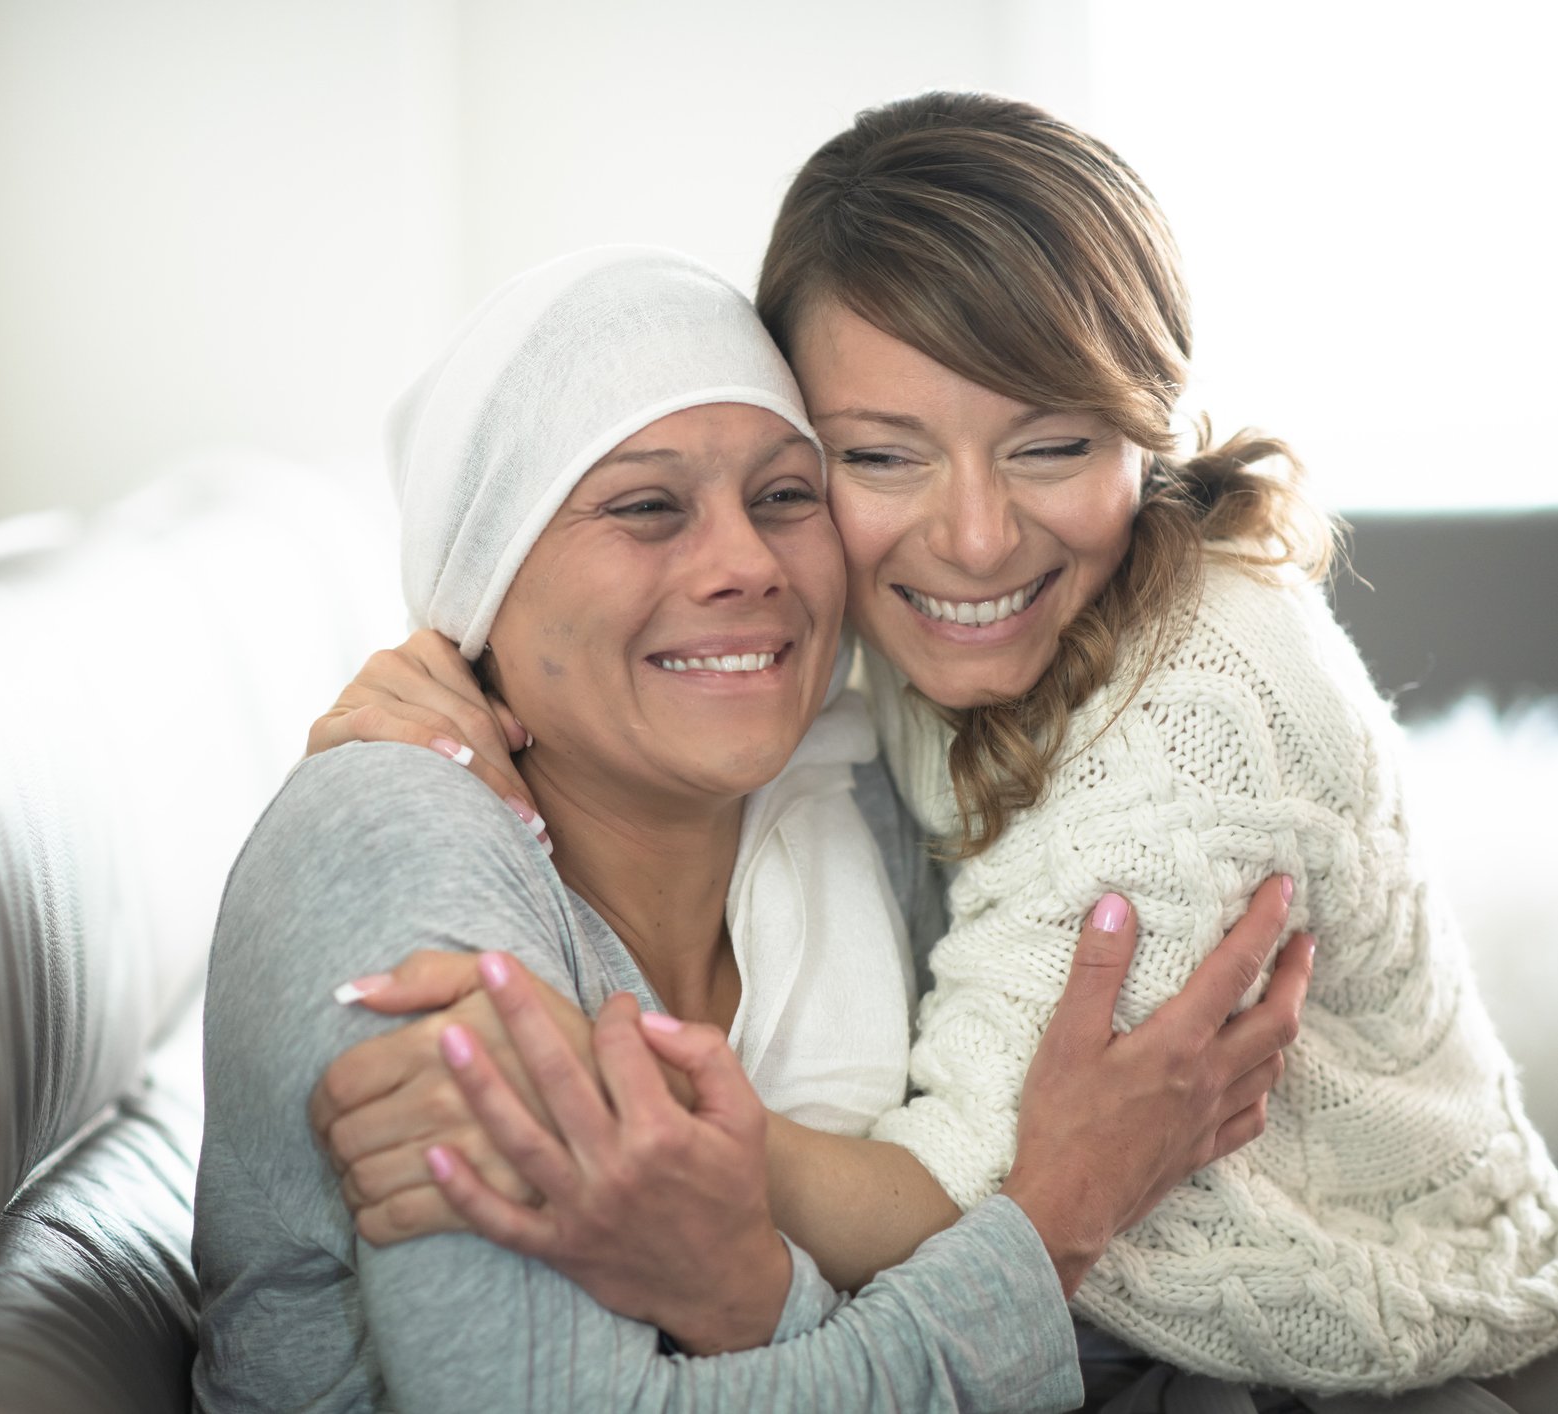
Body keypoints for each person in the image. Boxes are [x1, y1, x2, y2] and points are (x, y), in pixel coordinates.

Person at [303, 95, 1558, 1409]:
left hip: (1399, 1361)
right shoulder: (914, 616)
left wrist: (603, 1082)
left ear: (1153, 424)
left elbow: (957, 1192)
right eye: (880, 456)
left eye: (1052, 445)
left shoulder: (1202, 708)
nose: (970, 537)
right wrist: (452, 666)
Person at [192, 245, 1307, 1413]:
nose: (746, 564)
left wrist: (760, 1293)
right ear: (480, 579)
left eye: (786, 496)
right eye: (645, 507)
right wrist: (1060, 1221)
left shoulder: (861, 794)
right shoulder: (396, 840)